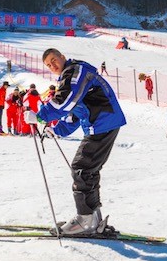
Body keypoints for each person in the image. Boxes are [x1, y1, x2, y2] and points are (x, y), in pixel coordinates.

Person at [23, 48, 126, 236]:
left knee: (81, 168)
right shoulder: (70, 76)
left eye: (54, 60)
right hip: (101, 123)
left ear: (62, 57)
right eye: (48, 65)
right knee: (88, 170)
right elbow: (75, 113)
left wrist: (40, 117)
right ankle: (93, 218)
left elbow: (66, 101)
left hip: (103, 123)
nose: (52, 65)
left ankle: (85, 220)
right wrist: (57, 129)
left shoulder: (76, 72)